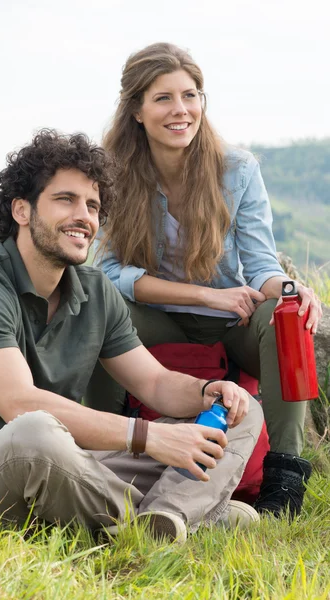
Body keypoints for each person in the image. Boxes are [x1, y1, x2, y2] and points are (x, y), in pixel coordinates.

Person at [0, 129, 264, 541]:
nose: (84, 217)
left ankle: (166, 518)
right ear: (22, 210)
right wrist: (150, 436)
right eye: (65, 199)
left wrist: (208, 390)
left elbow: (155, 382)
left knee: (240, 407)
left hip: (72, 463)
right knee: (33, 431)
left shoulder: (93, 289)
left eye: (92, 205)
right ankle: (188, 514)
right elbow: (19, 404)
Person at [87, 42, 322, 519]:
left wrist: (293, 292)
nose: (181, 110)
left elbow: (260, 266)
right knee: (94, 304)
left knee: (286, 317)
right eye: (164, 98)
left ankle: (284, 477)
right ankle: (101, 452)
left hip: (231, 326)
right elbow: (111, 274)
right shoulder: (114, 173)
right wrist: (204, 294)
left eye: (191, 95)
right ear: (136, 109)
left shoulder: (236, 170)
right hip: (157, 320)